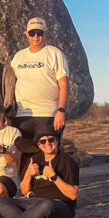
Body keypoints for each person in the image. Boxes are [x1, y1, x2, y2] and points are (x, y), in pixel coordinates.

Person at [0, 132, 79, 218]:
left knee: (47, 204)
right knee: (0, 202)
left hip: (60, 207)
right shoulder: (34, 159)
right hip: (35, 203)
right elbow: (25, 191)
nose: (47, 143)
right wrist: (28, 174)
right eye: (43, 141)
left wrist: (54, 177)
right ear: (39, 145)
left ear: (57, 141)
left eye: (51, 140)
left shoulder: (68, 162)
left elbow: (73, 195)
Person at [10, 17, 69, 152]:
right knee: (25, 155)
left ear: (45, 33)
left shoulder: (54, 53)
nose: (36, 36)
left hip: (47, 114)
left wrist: (61, 111)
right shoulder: (18, 56)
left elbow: (64, 84)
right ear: (27, 34)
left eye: (39, 33)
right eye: (32, 33)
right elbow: (11, 83)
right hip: (22, 115)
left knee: (48, 153)